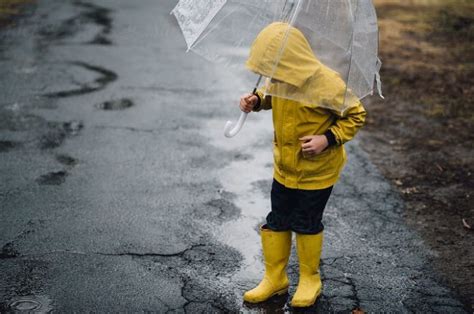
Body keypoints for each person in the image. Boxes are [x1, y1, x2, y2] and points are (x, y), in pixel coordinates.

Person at [240, 22, 367, 307]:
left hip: (316, 172)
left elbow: (356, 115)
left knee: (306, 224)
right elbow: (270, 95)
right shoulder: (281, 78)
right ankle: (275, 278)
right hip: (284, 168)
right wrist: (257, 100)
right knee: (277, 221)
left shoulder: (328, 83)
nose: (271, 75)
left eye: (274, 67)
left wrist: (328, 138)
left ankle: (310, 278)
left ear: (290, 59)